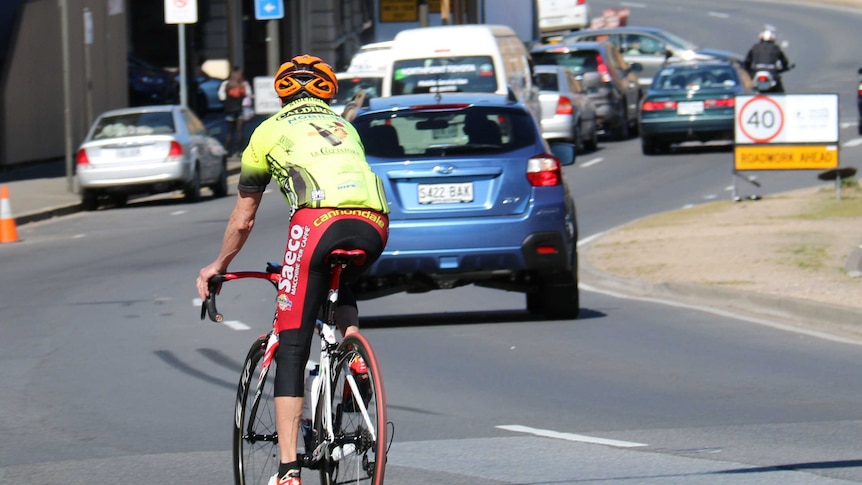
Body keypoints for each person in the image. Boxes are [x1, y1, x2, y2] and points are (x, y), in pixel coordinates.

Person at [196, 54, 390, 485]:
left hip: (318, 222)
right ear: (327, 91)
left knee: (293, 344)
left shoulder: (265, 132)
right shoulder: (345, 127)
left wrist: (218, 266)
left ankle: (288, 470)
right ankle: (353, 349)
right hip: (375, 223)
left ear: (283, 92)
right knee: (337, 280)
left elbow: (243, 219)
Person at [218, 66, 253, 156]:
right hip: (240, 109)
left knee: (230, 131)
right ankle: (239, 151)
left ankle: (227, 150)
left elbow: (221, 97)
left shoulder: (226, 84)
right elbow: (248, 94)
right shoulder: (243, 84)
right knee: (240, 131)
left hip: (229, 110)